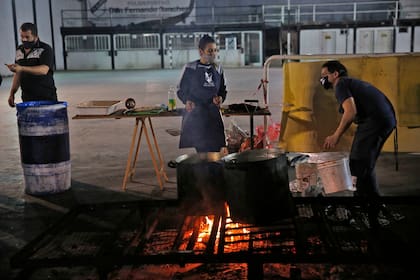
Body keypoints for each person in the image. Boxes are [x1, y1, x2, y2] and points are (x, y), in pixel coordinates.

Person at [320, 60, 397, 228]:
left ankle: (361, 211)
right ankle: (377, 207)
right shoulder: (349, 84)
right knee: (365, 165)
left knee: (358, 163)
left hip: (375, 121)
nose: (322, 80)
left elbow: (351, 111)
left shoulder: (341, 84)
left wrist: (335, 136)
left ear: (335, 74)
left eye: (324, 76)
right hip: (383, 119)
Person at [176, 34, 227, 153]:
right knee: (202, 151)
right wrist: (187, 101)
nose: (213, 54)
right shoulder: (190, 68)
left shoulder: (218, 69)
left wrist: (220, 98)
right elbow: (180, 90)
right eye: (210, 51)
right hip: (196, 116)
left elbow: (222, 90)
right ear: (200, 52)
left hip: (213, 116)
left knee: (216, 151)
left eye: (215, 50)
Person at [6, 22, 57, 107]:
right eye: (22, 36)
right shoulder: (19, 50)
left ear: (36, 36)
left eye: (27, 37)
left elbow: (43, 70)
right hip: (27, 97)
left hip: (46, 97)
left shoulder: (45, 49)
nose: (24, 40)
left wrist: (21, 68)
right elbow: (18, 73)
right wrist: (12, 93)